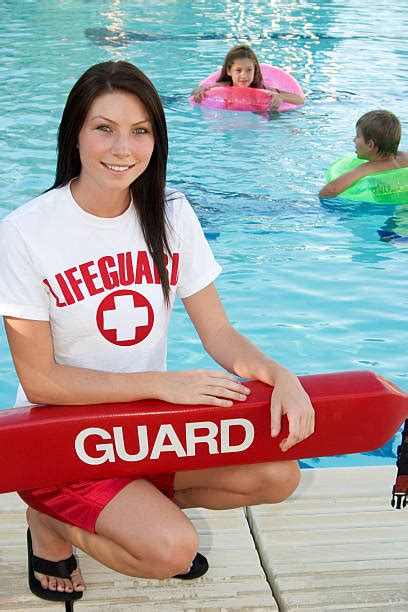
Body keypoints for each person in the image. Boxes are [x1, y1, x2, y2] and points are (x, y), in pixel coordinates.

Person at [0, 60, 314, 605]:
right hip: (61, 439)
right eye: (104, 128)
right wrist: (160, 385)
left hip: (143, 428)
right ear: (74, 132)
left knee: (277, 474)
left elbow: (217, 330)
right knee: (170, 550)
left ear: (156, 139)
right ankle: (49, 523)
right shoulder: (26, 232)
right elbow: (42, 379)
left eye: (140, 131)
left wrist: (279, 374)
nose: (123, 148)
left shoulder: (170, 212)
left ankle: (132, 502)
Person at [319, 110, 408, 198]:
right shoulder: (405, 157)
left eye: (357, 136)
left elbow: (332, 189)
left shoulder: (368, 168)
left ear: (370, 145)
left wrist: (317, 198)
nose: (354, 140)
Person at [191, 44, 305, 110]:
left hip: (259, 114)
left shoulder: (261, 89)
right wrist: (199, 90)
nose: (244, 76)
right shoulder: (223, 87)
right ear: (229, 71)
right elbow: (196, 92)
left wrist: (280, 97)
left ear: (255, 70)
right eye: (238, 70)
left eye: (249, 70)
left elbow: (299, 99)